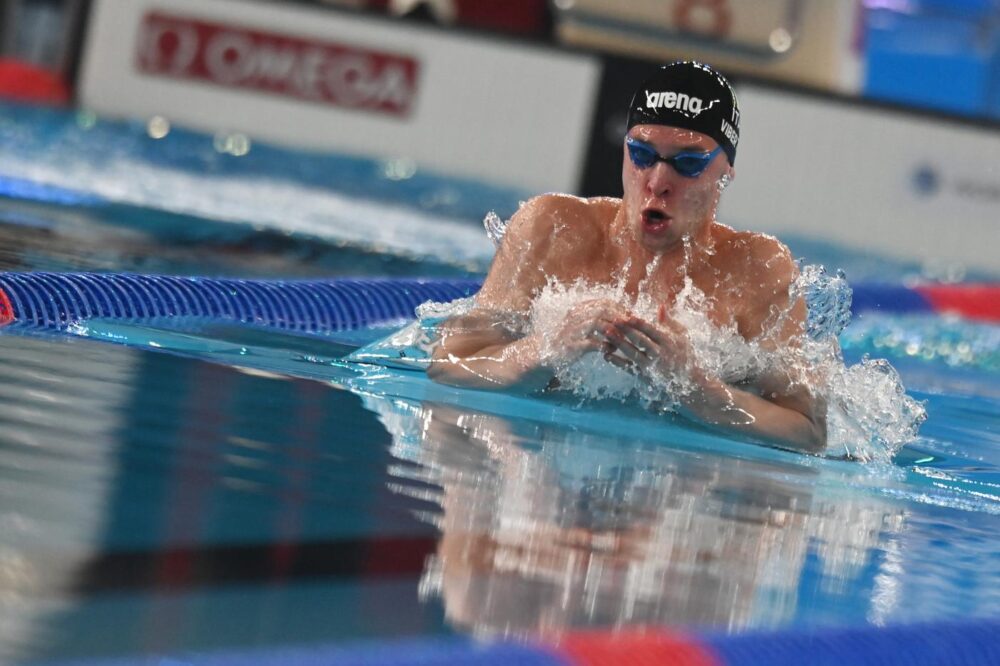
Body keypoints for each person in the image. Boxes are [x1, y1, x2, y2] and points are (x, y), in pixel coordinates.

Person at [427, 61, 826, 453]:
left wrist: (698, 387)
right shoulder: (551, 229)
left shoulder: (756, 269)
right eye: (641, 153)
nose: (657, 182)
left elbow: (805, 429)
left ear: (725, 171)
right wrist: (543, 350)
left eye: (688, 163)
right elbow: (449, 363)